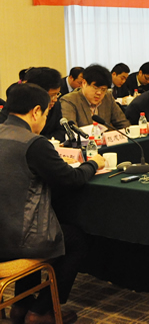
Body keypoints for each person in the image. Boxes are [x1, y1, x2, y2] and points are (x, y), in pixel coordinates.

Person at [0, 83, 105, 324]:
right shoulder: (34, 143)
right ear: (36, 111)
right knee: (75, 239)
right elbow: (71, 179)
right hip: (16, 240)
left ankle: (20, 305)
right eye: (47, 113)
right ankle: (41, 311)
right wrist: (93, 164)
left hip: (3, 232)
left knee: (33, 229)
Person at [0, 67, 66, 141]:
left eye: (57, 94)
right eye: (52, 95)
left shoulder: (55, 105)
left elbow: (61, 131)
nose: (55, 99)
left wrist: (44, 140)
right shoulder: (16, 105)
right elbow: (6, 130)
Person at [60, 64, 130, 129]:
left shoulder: (107, 97)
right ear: (84, 83)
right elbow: (71, 131)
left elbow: (123, 122)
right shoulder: (69, 101)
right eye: (95, 88)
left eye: (103, 89)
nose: (99, 93)